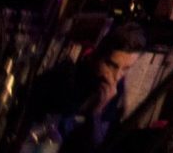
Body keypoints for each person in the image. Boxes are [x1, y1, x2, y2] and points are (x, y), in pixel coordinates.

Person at [18, 23, 145, 153]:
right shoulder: (63, 79)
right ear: (97, 55)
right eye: (111, 65)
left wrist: (97, 113)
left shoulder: (114, 89)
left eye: (126, 69)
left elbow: (98, 145)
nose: (117, 76)